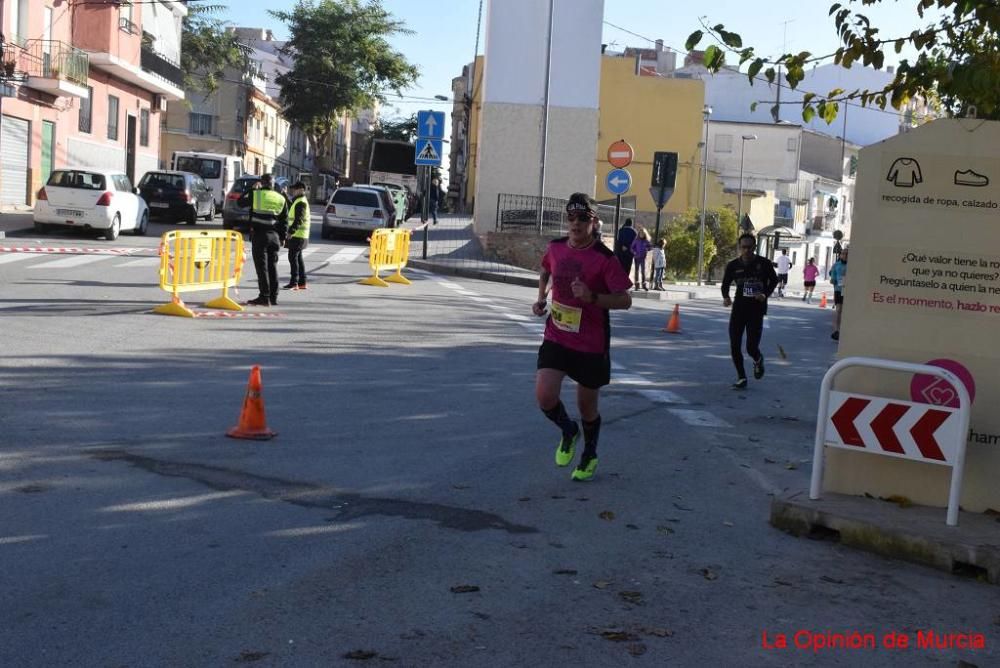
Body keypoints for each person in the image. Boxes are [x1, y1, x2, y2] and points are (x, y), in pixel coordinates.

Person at [533, 193, 632, 481]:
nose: (575, 224)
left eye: (582, 218)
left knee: (586, 406)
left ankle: (589, 452)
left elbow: (625, 300)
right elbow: (544, 272)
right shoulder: (555, 248)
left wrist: (591, 297)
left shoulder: (605, 259)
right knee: (544, 395)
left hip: (590, 342)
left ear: (594, 221)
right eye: (571, 217)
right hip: (557, 334)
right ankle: (568, 430)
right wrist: (541, 300)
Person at [722, 232, 778, 389]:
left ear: (754, 247)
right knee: (734, 345)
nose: (746, 250)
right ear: (740, 247)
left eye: (749, 247)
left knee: (751, 347)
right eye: (743, 247)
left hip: (756, 310)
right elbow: (725, 284)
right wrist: (726, 297)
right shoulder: (733, 265)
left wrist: (764, 294)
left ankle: (758, 359)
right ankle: (741, 377)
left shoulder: (764, 263)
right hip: (739, 309)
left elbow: (774, 281)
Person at [238, 173, 288, 307]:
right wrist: (283, 237)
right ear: (273, 184)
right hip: (274, 237)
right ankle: (273, 296)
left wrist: (251, 189)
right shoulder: (280, 198)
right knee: (272, 267)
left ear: (262, 183)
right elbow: (284, 220)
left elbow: (240, 202)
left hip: (260, 236)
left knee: (262, 268)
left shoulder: (256, 194)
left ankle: (264, 297)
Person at [283, 181, 310, 291]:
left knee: (293, 258)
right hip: (300, 235)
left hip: (298, 235)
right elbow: (290, 206)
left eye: (295, 189)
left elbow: (299, 219)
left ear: (301, 190)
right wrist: (284, 195)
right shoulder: (298, 201)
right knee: (298, 258)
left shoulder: (301, 202)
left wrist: (291, 232)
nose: (293, 191)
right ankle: (302, 282)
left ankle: (294, 283)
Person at [829, 246, 848, 340]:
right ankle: (837, 330)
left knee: (846, 311)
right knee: (839, 309)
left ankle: (845, 330)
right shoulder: (836, 265)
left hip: (849, 290)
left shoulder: (853, 265)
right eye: (843, 253)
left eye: (847, 254)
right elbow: (832, 278)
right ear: (840, 255)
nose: (845, 255)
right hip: (838, 290)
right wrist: (833, 280)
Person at [630, 227, 651, 291]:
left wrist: (648, 249)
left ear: (645, 234)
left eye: (643, 233)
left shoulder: (646, 241)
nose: (641, 234)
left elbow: (650, 246)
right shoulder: (636, 240)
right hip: (637, 257)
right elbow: (631, 247)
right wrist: (634, 252)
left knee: (643, 271)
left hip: (643, 258)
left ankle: (644, 285)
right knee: (636, 271)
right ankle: (637, 285)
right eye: (640, 233)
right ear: (639, 234)